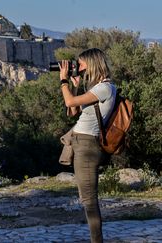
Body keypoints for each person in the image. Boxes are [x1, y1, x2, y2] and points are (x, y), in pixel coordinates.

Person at [59, 48, 116, 243]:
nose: (78, 67)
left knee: (89, 200)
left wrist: (63, 80)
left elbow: (68, 100)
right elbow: (72, 111)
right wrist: (74, 86)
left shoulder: (104, 88)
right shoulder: (96, 88)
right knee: (87, 199)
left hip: (87, 146)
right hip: (81, 143)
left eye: (81, 64)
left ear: (92, 64)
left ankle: (96, 241)